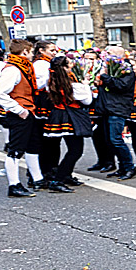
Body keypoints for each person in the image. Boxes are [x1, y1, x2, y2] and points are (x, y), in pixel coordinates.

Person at [0, 38, 47, 197]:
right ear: (25, 52)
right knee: (16, 149)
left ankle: (37, 178)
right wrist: (18, 109)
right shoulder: (13, 69)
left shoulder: (22, 67)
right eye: (31, 52)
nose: (32, 55)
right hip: (21, 113)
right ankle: (14, 184)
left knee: (32, 146)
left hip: (29, 111)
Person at [42, 55, 94, 191]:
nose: (72, 65)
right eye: (70, 63)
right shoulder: (72, 84)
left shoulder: (52, 80)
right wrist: (86, 86)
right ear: (64, 67)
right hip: (70, 115)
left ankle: (65, 175)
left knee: (70, 149)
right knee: (75, 150)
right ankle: (58, 179)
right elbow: (87, 101)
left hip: (58, 114)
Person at [95, 48, 136, 180]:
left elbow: (122, 86)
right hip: (107, 108)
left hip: (118, 108)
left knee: (116, 139)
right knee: (110, 140)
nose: (106, 56)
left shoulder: (126, 70)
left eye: (109, 54)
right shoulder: (109, 68)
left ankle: (129, 167)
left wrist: (105, 77)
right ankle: (122, 167)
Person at [33, 40, 60, 185]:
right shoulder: (40, 64)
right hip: (44, 101)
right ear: (42, 51)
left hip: (50, 101)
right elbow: (38, 84)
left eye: (55, 50)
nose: (54, 53)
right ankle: (45, 170)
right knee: (46, 138)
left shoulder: (49, 63)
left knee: (53, 139)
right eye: (51, 50)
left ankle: (51, 169)